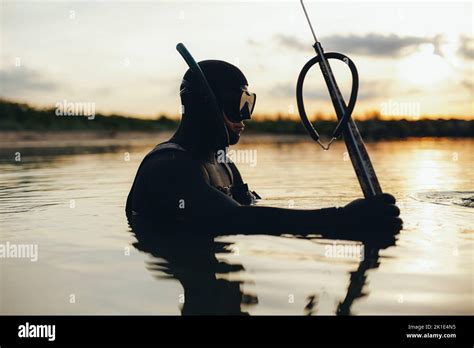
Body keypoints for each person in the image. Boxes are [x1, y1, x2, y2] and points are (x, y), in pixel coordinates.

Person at [126, 60, 402, 236]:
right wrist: (341, 220)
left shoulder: (223, 164)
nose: (246, 116)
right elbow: (235, 220)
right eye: (239, 104)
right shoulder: (169, 165)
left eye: (249, 103)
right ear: (205, 105)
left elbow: (254, 211)